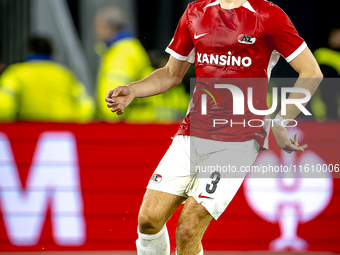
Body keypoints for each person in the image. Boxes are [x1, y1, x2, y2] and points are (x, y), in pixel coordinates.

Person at [105, 0, 323, 254]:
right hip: (192, 132)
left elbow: (311, 72)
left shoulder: (268, 14)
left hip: (239, 138)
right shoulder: (195, 11)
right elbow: (171, 73)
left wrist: (281, 120)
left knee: (188, 227)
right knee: (149, 221)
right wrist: (133, 90)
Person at [95, 7, 189, 122]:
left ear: (110, 27)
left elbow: (111, 104)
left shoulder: (122, 53)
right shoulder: (132, 48)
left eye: (98, 27)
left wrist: (107, 118)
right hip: (149, 122)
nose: (96, 32)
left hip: (131, 125)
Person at [0, 36, 94, 122]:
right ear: (51, 52)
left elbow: (4, 107)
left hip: (31, 129)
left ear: (29, 51)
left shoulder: (16, 72)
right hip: (64, 129)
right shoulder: (64, 73)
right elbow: (86, 103)